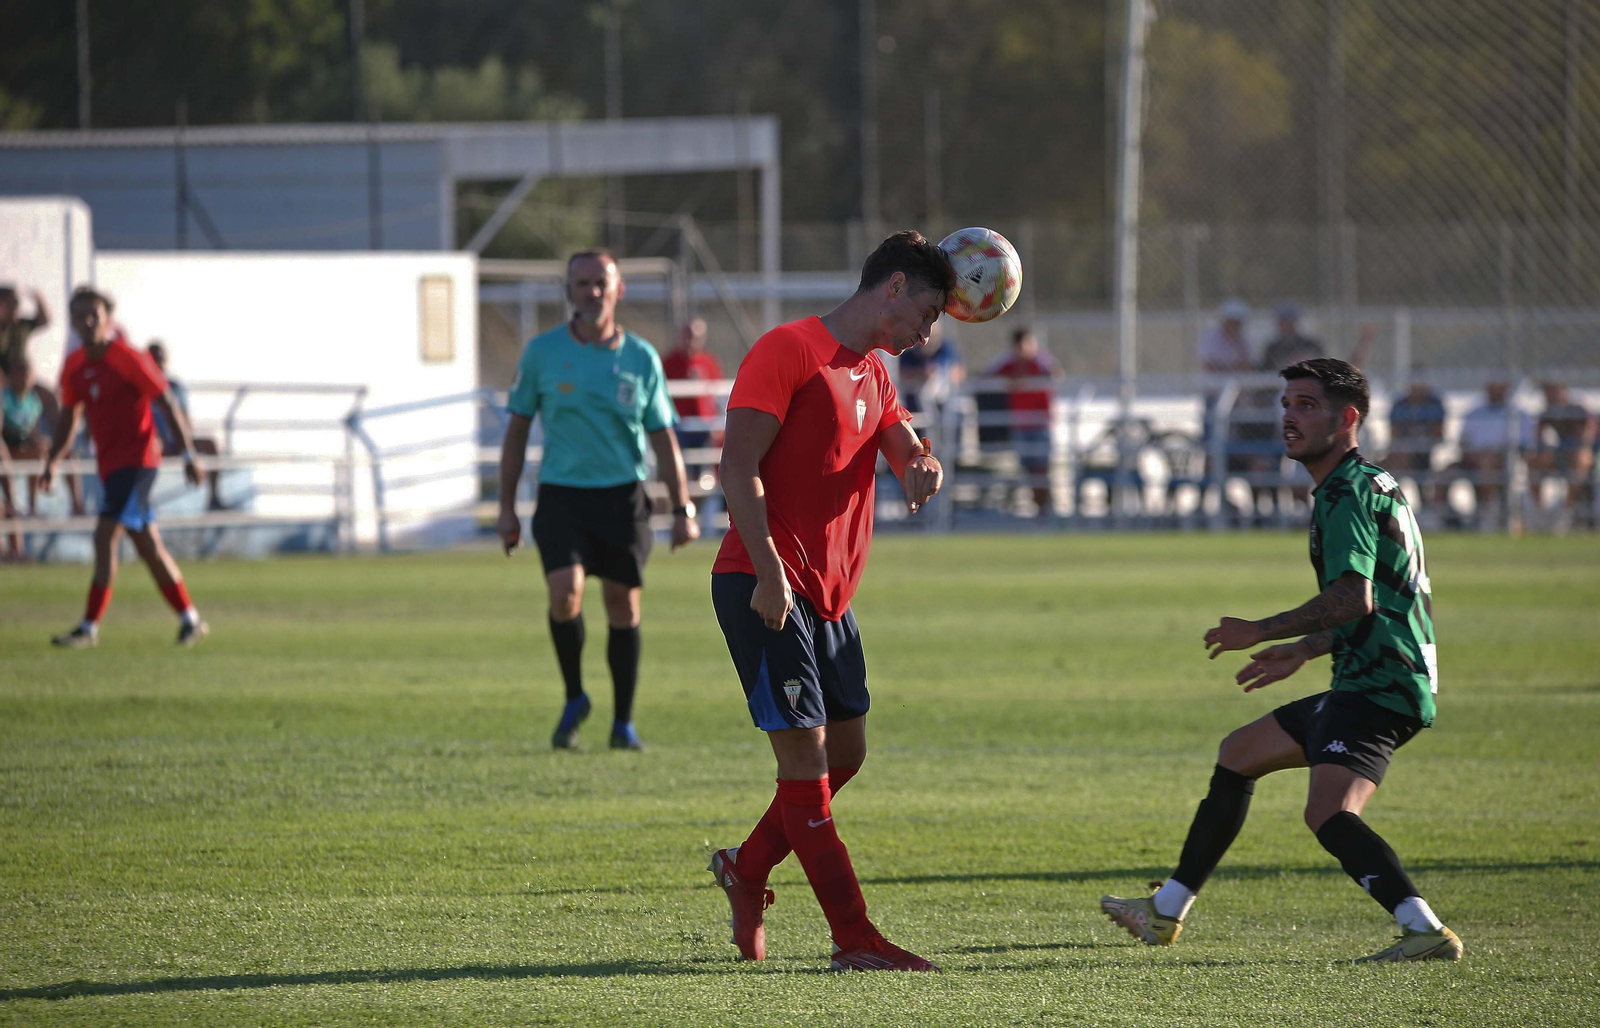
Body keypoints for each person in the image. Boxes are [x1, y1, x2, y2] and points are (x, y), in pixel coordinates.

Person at [1101, 357, 1460, 964]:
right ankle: (1166, 911)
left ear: (1347, 419)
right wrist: (1302, 648)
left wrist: (1259, 630)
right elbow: (1376, 604)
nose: (1289, 418)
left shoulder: (1346, 492)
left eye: (1307, 406)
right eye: (1287, 405)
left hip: (1381, 684)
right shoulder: (1368, 483)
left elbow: (1356, 596)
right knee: (1239, 753)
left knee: (1327, 813)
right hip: (1376, 672)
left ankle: (1423, 927)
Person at [706, 230, 949, 973]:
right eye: (929, 313)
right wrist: (772, 574)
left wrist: (921, 465)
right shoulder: (789, 350)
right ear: (895, 288)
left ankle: (747, 870)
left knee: (847, 753)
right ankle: (854, 938)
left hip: (831, 600)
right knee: (807, 758)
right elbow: (736, 466)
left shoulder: (875, 371)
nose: (928, 333)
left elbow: (899, 438)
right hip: (764, 581)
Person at [496, 251, 699, 752]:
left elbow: (663, 439)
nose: (591, 292)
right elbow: (517, 433)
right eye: (581, 283)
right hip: (562, 496)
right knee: (565, 596)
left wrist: (682, 509)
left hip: (622, 497)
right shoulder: (542, 353)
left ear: (618, 290)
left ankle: (623, 723)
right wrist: (505, 508)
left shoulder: (641, 358)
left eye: (599, 284)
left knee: (621, 604)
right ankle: (574, 697)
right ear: (568, 291)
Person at [39, 287, 209, 648]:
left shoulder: (127, 357)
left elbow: (164, 398)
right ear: (71, 321)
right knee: (147, 545)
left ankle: (88, 628)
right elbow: (70, 419)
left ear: (108, 318)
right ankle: (190, 618)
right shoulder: (75, 367)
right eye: (80, 315)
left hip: (140, 461)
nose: (87, 321)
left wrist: (190, 453)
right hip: (111, 466)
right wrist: (53, 461)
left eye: (94, 314)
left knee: (104, 536)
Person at [986, 327, 1059, 517]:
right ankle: (1040, 511)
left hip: (1040, 424)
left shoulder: (1040, 361)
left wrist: (1025, 380)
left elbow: (1055, 374)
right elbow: (988, 373)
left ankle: (1047, 511)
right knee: (1028, 470)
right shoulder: (1010, 364)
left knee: (1042, 469)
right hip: (1020, 425)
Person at [146, 341, 225, 510]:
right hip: (156, 443)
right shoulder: (142, 387)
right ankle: (143, 501)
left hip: (179, 441)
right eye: (153, 358)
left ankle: (214, 497)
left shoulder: (176, 387)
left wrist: (186, 445)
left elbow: (184, 418)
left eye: (160, 358)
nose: (157, 363)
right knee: (148, 448)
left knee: (210, 444)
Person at [1, 356, 61, 558]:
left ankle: (32, 504)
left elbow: (31, 430)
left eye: (28, 372)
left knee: (43, 452)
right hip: (6, 449)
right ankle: (10, 550)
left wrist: (39, 441)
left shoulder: (34, 400)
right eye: (20, 372)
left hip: (20, 449)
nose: (24, 377)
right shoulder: (4, 398)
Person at [1455, 382, 1535, 522]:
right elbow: (1463, 444)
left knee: (1488, 463)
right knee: (1444, 475)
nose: (1494, 389)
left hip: (1506, 463)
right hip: (1472, 461)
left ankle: (1488, 514)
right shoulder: (1475, 413)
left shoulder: (1518, 415)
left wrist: (1497, 453)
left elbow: (1526, 447)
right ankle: (1438, 519)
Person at [661, 317, 725, 489]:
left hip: (704, 428)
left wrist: (717, 425)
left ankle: (699, 513)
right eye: (688, 335)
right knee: (680, 474)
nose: (692, 341)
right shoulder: (669, 362)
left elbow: (718, 397)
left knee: (704, 478)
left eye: (696, 336)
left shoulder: (709, 362)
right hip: (678, 428)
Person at [1530, 382, 1597, 524]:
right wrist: (1542, 449)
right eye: (1546, 391)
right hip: (1562, 454)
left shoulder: (1578, 409)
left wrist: (1579, 446)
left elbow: (1589, 436)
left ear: (1563, 391)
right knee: (1535, 462)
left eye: (1552, 390)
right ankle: (1540, 514)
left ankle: (1566, 511)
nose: (1549, 395)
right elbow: (1538, 438)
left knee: (1580, 459)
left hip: (1584, 455)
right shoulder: (1548, 413)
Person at [1386, 378, 1446, 509]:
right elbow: (1393, 434)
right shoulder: (1400, 404)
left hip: (1428, 452)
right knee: (1393, 461)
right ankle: (1389, 506)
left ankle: (1426, 506)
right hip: (1402, 453)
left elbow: (1438, 433)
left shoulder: (1434, 404)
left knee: (1420, 466)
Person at [895, 315, 964, 418]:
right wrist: (921, 373)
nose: (930, 340)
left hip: (944, 401)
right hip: (915, 403)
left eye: (934, 336)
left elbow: (959, 372)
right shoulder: (911, 349)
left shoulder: (947, 349)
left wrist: (945, 375)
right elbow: (901, 373)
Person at [0, 285, 51, 375]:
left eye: (16, 302)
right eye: (11, 302)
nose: (16, 306)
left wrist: (37, 298)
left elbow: (44, 321)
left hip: (20, 377)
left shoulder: (22, 325)